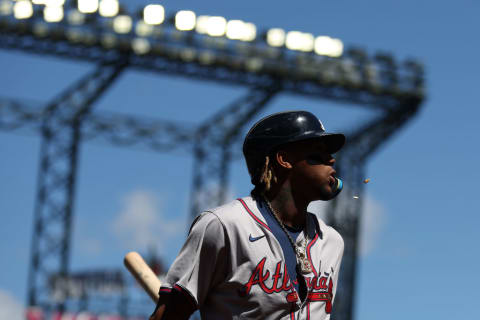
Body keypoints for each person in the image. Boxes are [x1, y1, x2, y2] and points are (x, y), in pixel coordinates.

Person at [150, 110, 345, 320]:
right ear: (284, 159)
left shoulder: (332, 241)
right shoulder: (225, 226)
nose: (331, 161)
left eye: (330, 155)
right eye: (318, 154)